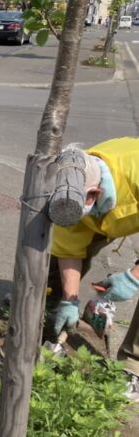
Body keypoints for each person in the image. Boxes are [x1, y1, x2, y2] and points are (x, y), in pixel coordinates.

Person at [48, 138, 139, 401]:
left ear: (94, 195)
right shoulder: (68, 189)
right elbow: (69, 251)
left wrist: (132, 280)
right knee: (55, 265)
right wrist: (69, 299)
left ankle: (133, 365)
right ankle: (48, 324)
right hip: (102, 217)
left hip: (126, 201)